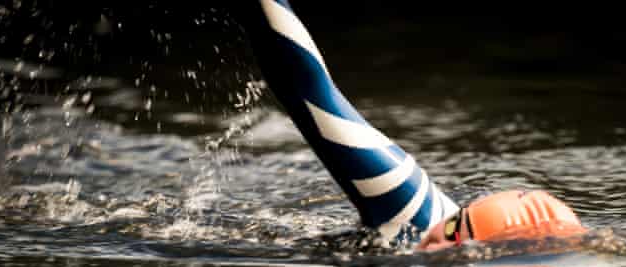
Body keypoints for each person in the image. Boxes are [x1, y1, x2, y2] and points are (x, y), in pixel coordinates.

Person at [245, 0, 586, 251]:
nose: (436, 247)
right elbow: (310, 88)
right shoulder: (413, 211)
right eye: (452, 230)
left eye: (459, 251)